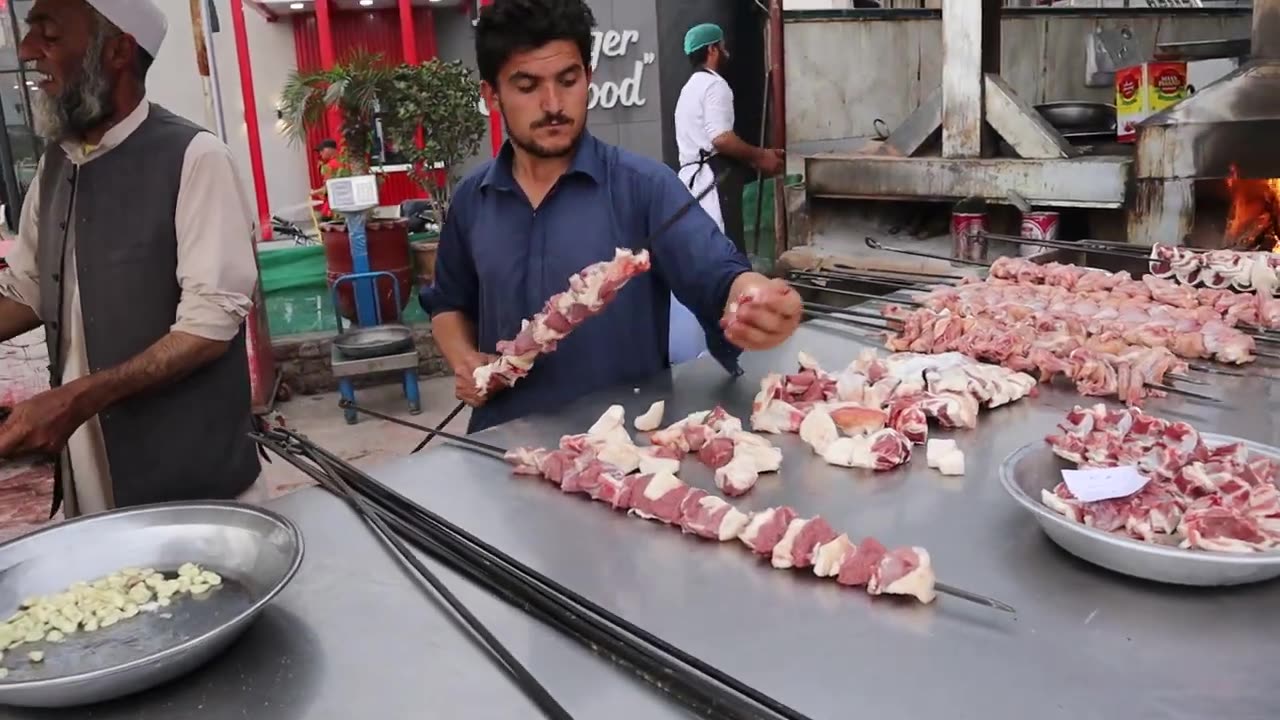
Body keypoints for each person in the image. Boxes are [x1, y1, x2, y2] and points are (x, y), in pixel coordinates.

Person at [422, 0, 802, 435]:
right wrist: (464, 361)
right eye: (527, 86)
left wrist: (756, 298)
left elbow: (719, 274)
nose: (552, 104)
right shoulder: (473, 199)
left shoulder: (644, 186)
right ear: (492, 95)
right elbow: (448, 302)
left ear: (589, 77)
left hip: (622, 450)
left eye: (568, 81)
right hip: (503, 441)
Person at [0, 0, 264, 518]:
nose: (29, 52)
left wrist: (74, 399)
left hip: (194, 494)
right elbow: (30, 290)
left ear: (118, 50)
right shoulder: (57, 165)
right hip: (88, 486)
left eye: (48, 34)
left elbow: (207, 329)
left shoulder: (195, 157)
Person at [674, 23, 785, 251]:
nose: (726, 52)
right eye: (722, 46)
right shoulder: (715, 85)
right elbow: (721, 138)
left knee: (704, 251)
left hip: (691, 183)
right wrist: (761, 156)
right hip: (713, 182)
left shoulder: (688, 89)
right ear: (712, 50)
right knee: (728, 253)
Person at [311, 138, 342, 220]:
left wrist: (314, 192)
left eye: (321, 151)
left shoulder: (330, 165)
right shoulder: (343, 161)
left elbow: (329, 187)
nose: (320, 154)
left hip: (334, 206)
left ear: (329, 150)